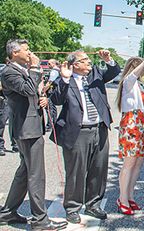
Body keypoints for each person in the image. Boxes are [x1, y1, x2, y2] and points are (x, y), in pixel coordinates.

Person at [0, 39, 67, 230]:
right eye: (26, 50)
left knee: (25, 171)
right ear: (14, 53)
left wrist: (42, 97)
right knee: (36, 174)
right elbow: (27, 88)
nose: (30, 53)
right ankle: (40, 220)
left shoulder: (20, 70)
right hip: (26, 128)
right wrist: (36, 67)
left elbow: (32, 93)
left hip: (32, 125)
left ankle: (8, 212)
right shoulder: (9, 72)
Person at [50, 49, 120, 225]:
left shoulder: (95, 74)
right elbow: (56, 99)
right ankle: (72, 207)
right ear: (75, 65)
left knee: (99, 169)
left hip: (99, 128)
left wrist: (108, 59)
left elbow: (114, 72)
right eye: (85, 60)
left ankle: (93, 204)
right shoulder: (64, 79)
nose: (89, 62)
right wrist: (65, 78)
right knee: (76, 172)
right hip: (78, 132)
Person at [116, 55, 144, 214]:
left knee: (138, 163)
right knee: (129, 163)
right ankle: (122, 198)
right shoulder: (128, 82)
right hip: (131, 124)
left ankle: (130, 196)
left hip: (141, 123)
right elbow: (132, 76)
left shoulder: (140, 84)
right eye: (142, 67)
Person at [0, 73, 17, 156]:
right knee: (1, 125)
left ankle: (15, 144)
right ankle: (1, 146)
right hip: (3, 102)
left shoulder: (5, 73)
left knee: (11, 123)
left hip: (6, 101)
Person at [43, 59, 60, 131]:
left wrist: (43, 90)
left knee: (49, 109)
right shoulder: (58, 70)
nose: (48, 65)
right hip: (55, 91)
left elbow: (50, 82)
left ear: (53, 64)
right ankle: (54, 123)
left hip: (51, 92)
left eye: (49, 64)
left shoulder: (54, 71)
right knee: (53, 108)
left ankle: (50, 125)